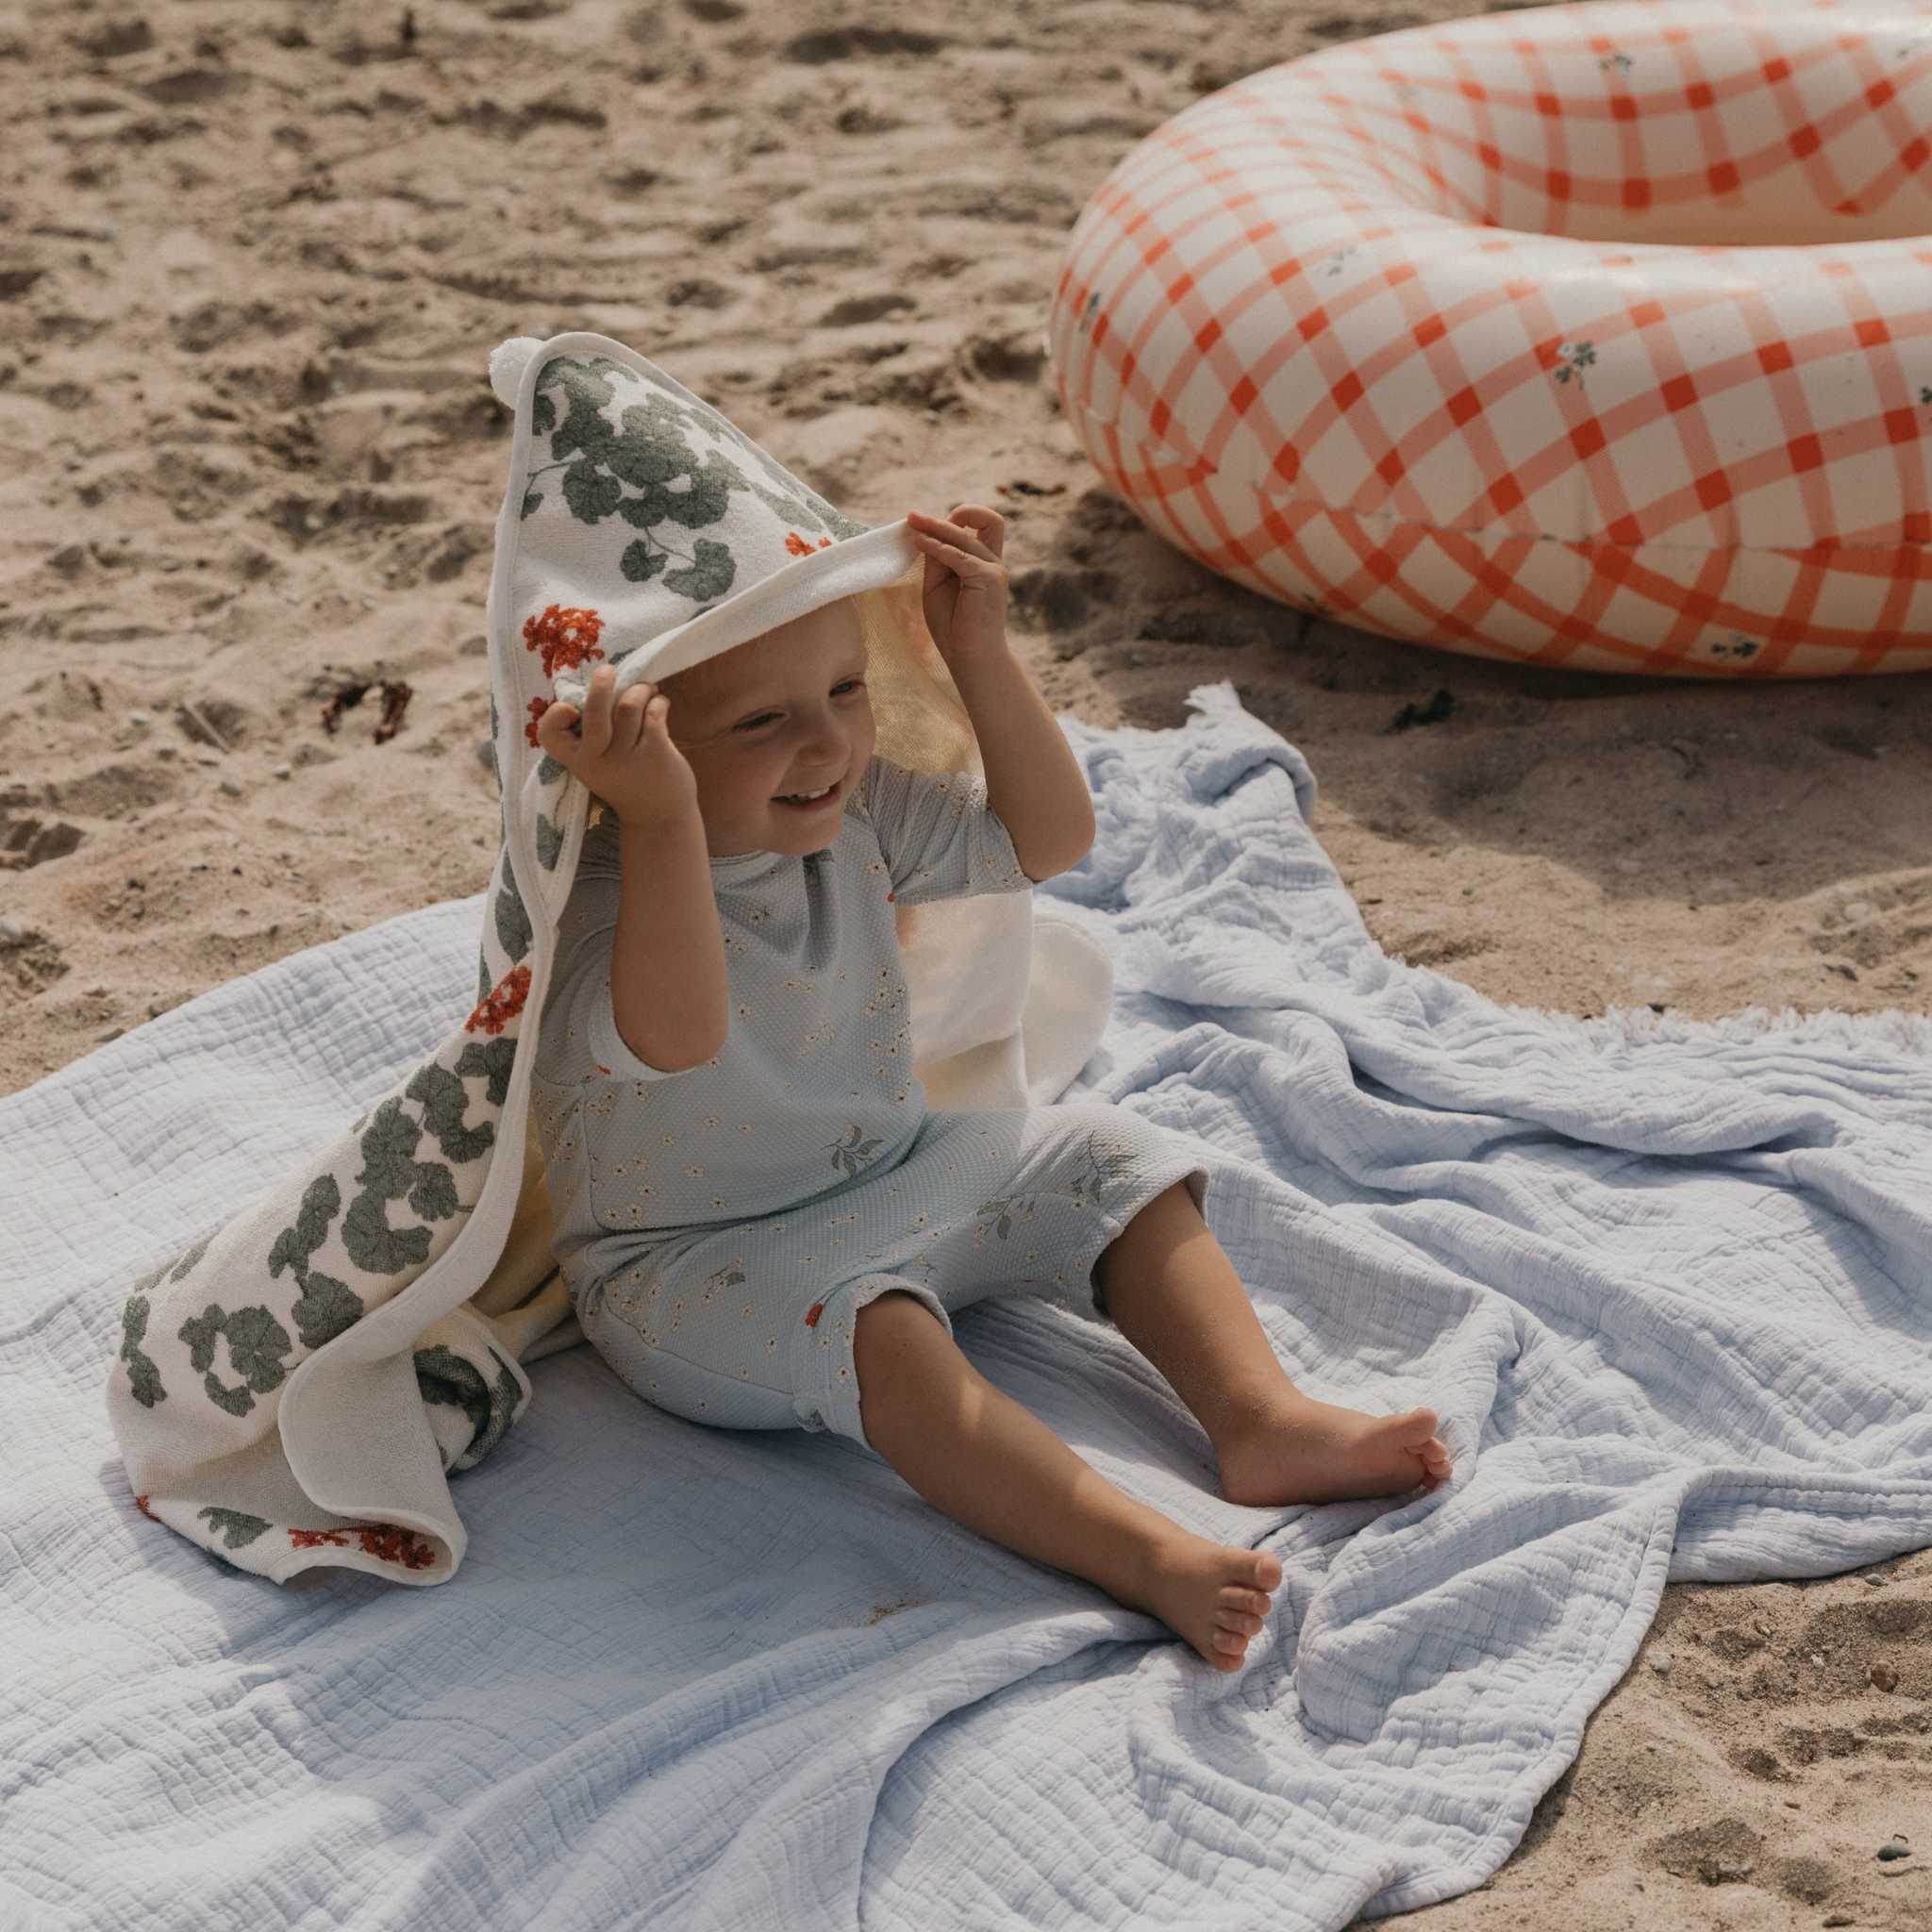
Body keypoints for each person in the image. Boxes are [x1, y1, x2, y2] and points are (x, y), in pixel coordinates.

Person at [529, 502, 1452, 1673]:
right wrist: (660, 816)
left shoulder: (848, 815)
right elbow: (678, 1031)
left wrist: (976, 653)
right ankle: (1136, 1550)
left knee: (1106, 1150)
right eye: (764, 719)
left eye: (848, 691)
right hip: (696, 1264)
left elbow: (1046, 838)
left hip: (891, 1170)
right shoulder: (604, 890)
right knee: (887, 1334)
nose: (825, 744)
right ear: (632, 751)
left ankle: (1258, 1419)